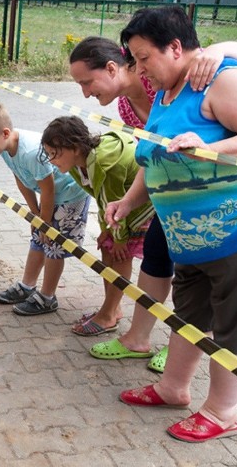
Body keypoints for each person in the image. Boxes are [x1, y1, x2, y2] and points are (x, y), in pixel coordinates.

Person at [106, 5, 237, 443]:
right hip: (190, 236)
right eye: (135, 59)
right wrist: (129, 201)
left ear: (174, 47)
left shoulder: (223, 77)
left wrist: (207, 147)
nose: (140, 68)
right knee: (191, 314)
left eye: (144, 57)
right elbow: (152, 158)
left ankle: (223, 411)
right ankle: (173, 388)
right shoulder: (167, 93)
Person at [67, 36, 237, 373]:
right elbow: (150, 155)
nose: (84, 93)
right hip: (169, 196)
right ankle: (138, 338)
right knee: (155, 256)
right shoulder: (126, 105)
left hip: (210, 202)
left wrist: (212, 53)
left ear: (112, 68)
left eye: (86, 82)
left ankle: (181, 350)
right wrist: (129, 202)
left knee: (197, 275)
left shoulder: (164, 80)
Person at [0, 101, 91, 316]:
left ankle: (47, 297)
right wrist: (35, 215)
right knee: (38, 240)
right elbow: (21, 178)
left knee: (54, 245)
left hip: (69, 196)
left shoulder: (30, 151)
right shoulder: (6, 148)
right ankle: (27, 286)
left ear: (5, 133)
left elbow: (49, 188)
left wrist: (44, 223)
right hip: (49, 196)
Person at [40, 116, 156, 335]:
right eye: (48, 154)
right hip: (120, 207)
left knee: (119, 252)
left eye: (55, 153)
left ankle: (108, 315)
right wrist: (105, 229)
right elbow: (102, 199)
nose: (52, 160)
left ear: (75, 147)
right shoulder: (77, 164)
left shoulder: (105, 164)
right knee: (107, 245)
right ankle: (113, 308)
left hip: (142, 205)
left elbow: (115, 199)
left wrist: (120, 238)